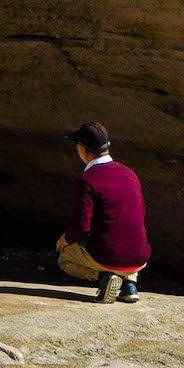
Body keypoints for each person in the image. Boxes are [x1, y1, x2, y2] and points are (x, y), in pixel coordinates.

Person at [54, 119, 150, 300]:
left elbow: (82, 226)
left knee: (65, 258)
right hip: (139, 258)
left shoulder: (88, 180)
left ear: (83, 149)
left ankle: (106, 278)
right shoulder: (130, 173)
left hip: (109, 258)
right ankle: (130, 284)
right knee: (123, 232)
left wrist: (65, 239)